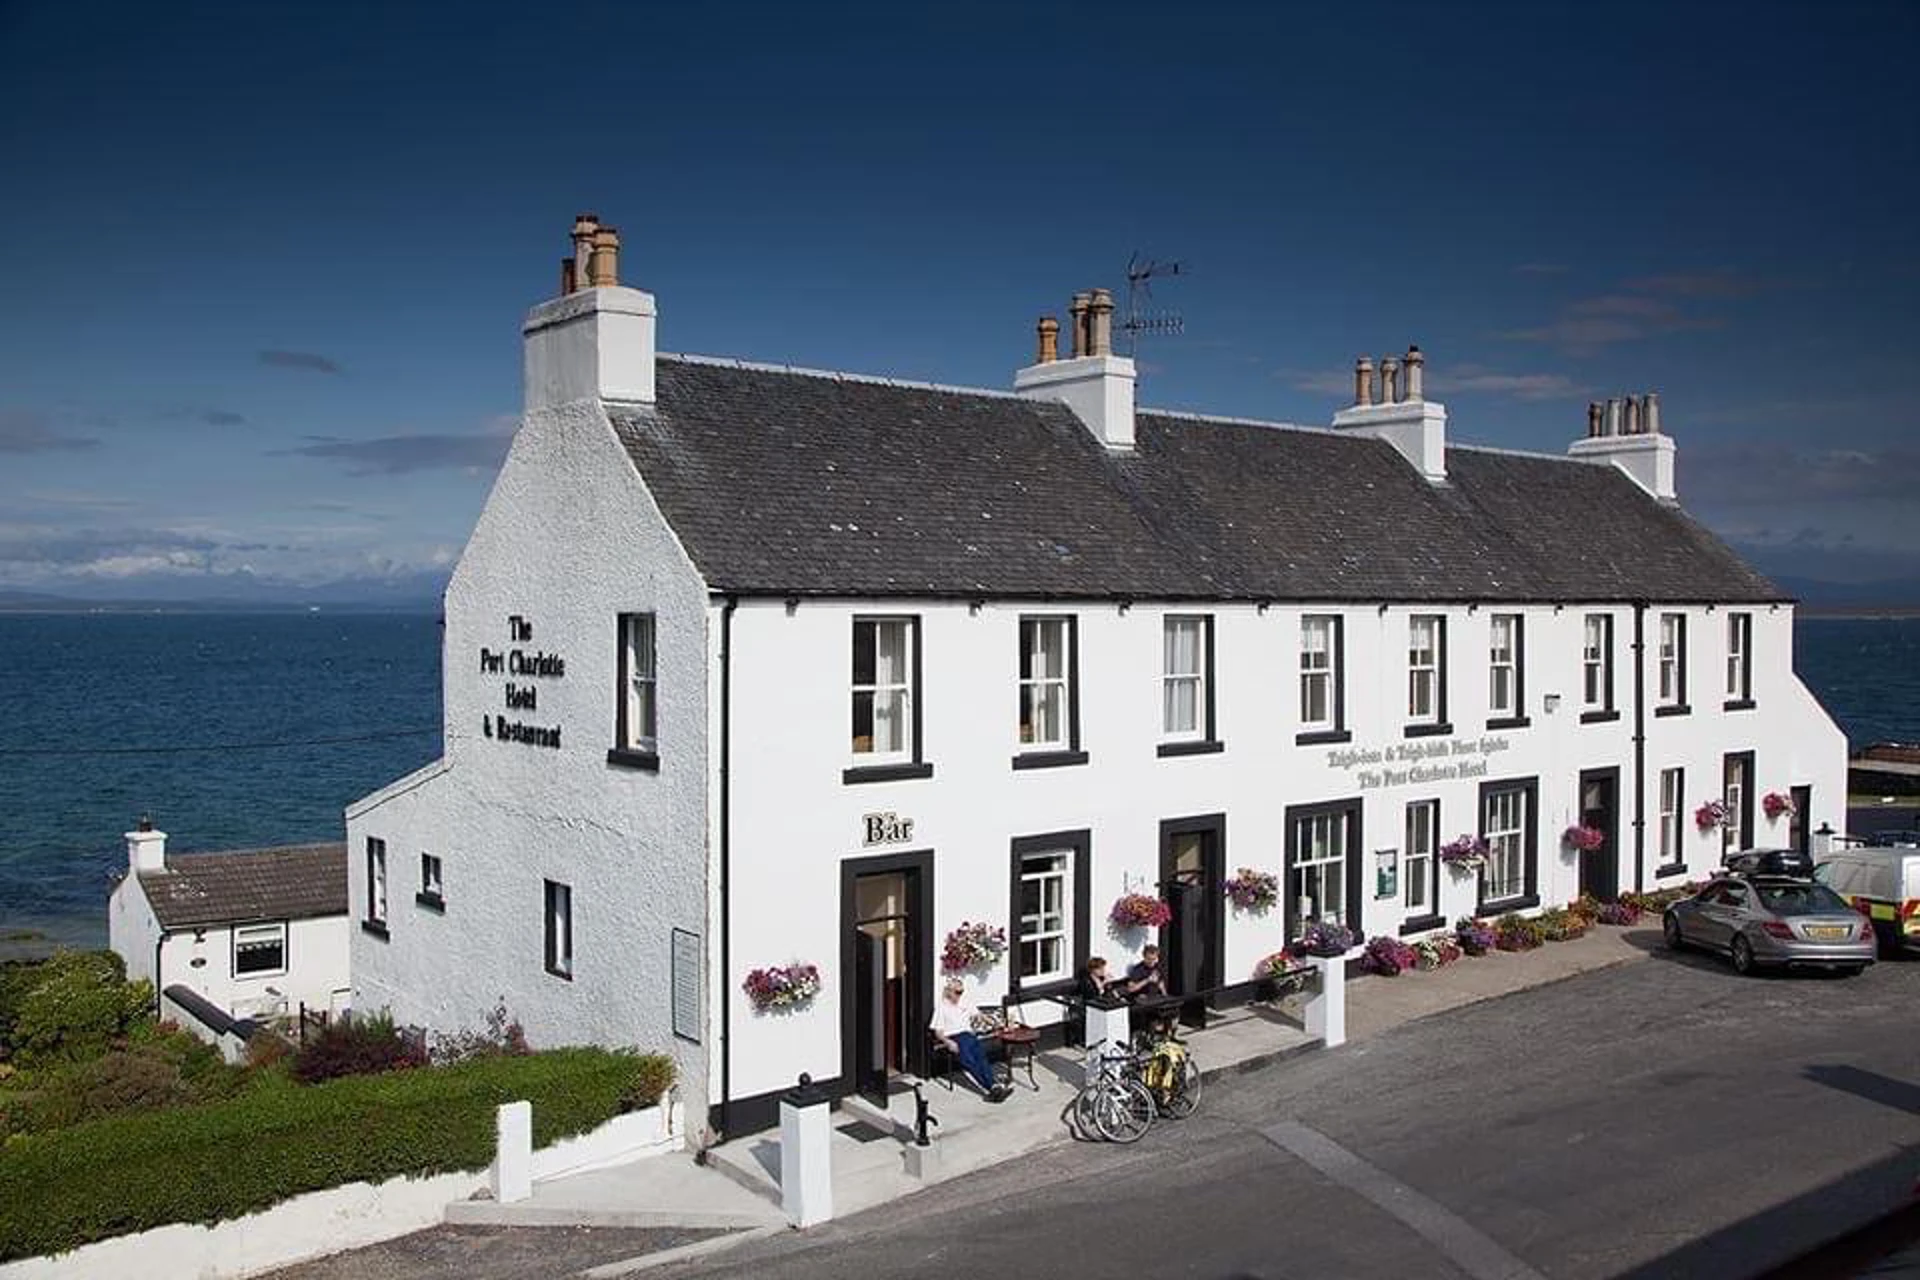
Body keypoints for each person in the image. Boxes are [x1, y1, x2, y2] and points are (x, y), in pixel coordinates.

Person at [929, 977, 1009, 1102]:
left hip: (969, 1035)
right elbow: (938, 1032)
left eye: (961, 992)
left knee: (982, 1059)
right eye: (957, 992)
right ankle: (992, 1088)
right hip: (956, 1037)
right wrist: (948, 1042)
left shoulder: (965, 1002)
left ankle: (994, 1086)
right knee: (970, 1062)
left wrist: (995, 1023)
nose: (960, 995)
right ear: (949, 991)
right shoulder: (942, 1008)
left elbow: (979, 1015)